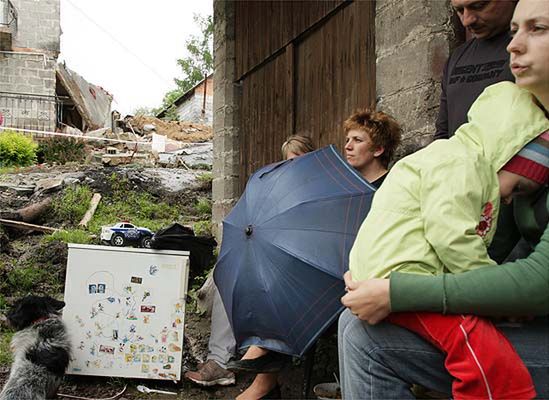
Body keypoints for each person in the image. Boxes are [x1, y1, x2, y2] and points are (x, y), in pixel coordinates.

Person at [339, 0, 549, 398]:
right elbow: (478, 229)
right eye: (517, 29)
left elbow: (538, 281)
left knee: (371, 339)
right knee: (355, 322)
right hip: (482, 272)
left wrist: (395, 290)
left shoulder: (506, 152)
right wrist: (377, 277)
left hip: (527, 296)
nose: (512, 46)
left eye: (537, 28)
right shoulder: (477, 156)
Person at [227, 109, 402, 400]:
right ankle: (263, 372)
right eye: (347, 139)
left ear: (379, 149)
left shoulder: (390, 187)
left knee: (297, 290)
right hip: (335, 266)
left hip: (367, 275)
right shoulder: (343, 182)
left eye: (357, 140)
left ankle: (263, 378)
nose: (347, 145)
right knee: (282, 280)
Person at [184, 135, 316, 388]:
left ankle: (249, 357)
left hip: (298, 270)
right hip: (271, 261)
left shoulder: (317, 192)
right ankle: (219, 361)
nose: (292, 166)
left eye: (299, 159)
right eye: (288, 160)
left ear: (310, 158)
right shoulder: (279, 191)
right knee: (227, 278)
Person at [435, 0, 516, 140]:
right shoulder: (457, 57)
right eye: (460, 10)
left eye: (479, 6)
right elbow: (443, 135)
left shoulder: (533, 46)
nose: (467, 20)